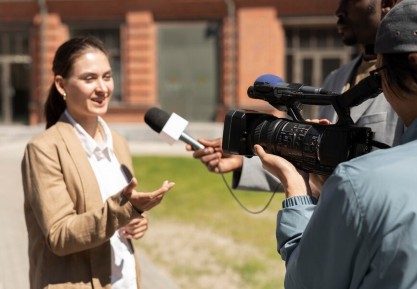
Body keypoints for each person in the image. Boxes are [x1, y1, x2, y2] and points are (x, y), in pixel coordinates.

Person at [255, 0, 417, 287]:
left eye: (379, 77)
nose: (339, 11)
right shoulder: (336, 79)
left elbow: (304, 281)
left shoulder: (358, 183)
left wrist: (297, 190)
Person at [188, 0, 404, 193]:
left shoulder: (406, 82)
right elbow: (319, 170)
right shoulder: (335, 78)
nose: (338, 10)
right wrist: (246, 160)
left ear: (387, 3)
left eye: (350, 0)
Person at [21, 36, 175, 289]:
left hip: (123, 281)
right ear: (61, 85)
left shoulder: (118, 142)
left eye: (107, 76)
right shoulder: (44, 149)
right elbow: (59, 235)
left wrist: (137, 222)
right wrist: (125, 211)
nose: (102, 88)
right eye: (89, 78)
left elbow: (120, 216)